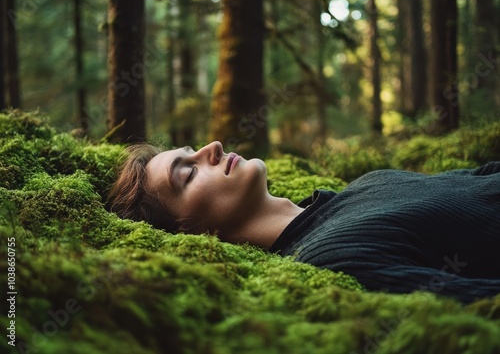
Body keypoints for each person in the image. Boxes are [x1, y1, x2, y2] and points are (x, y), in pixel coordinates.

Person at [108, 141, 500, 303]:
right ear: (190, 236)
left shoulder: (368, 183)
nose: (213, 148)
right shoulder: (335, 259)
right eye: (187, 174)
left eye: (193, 151)